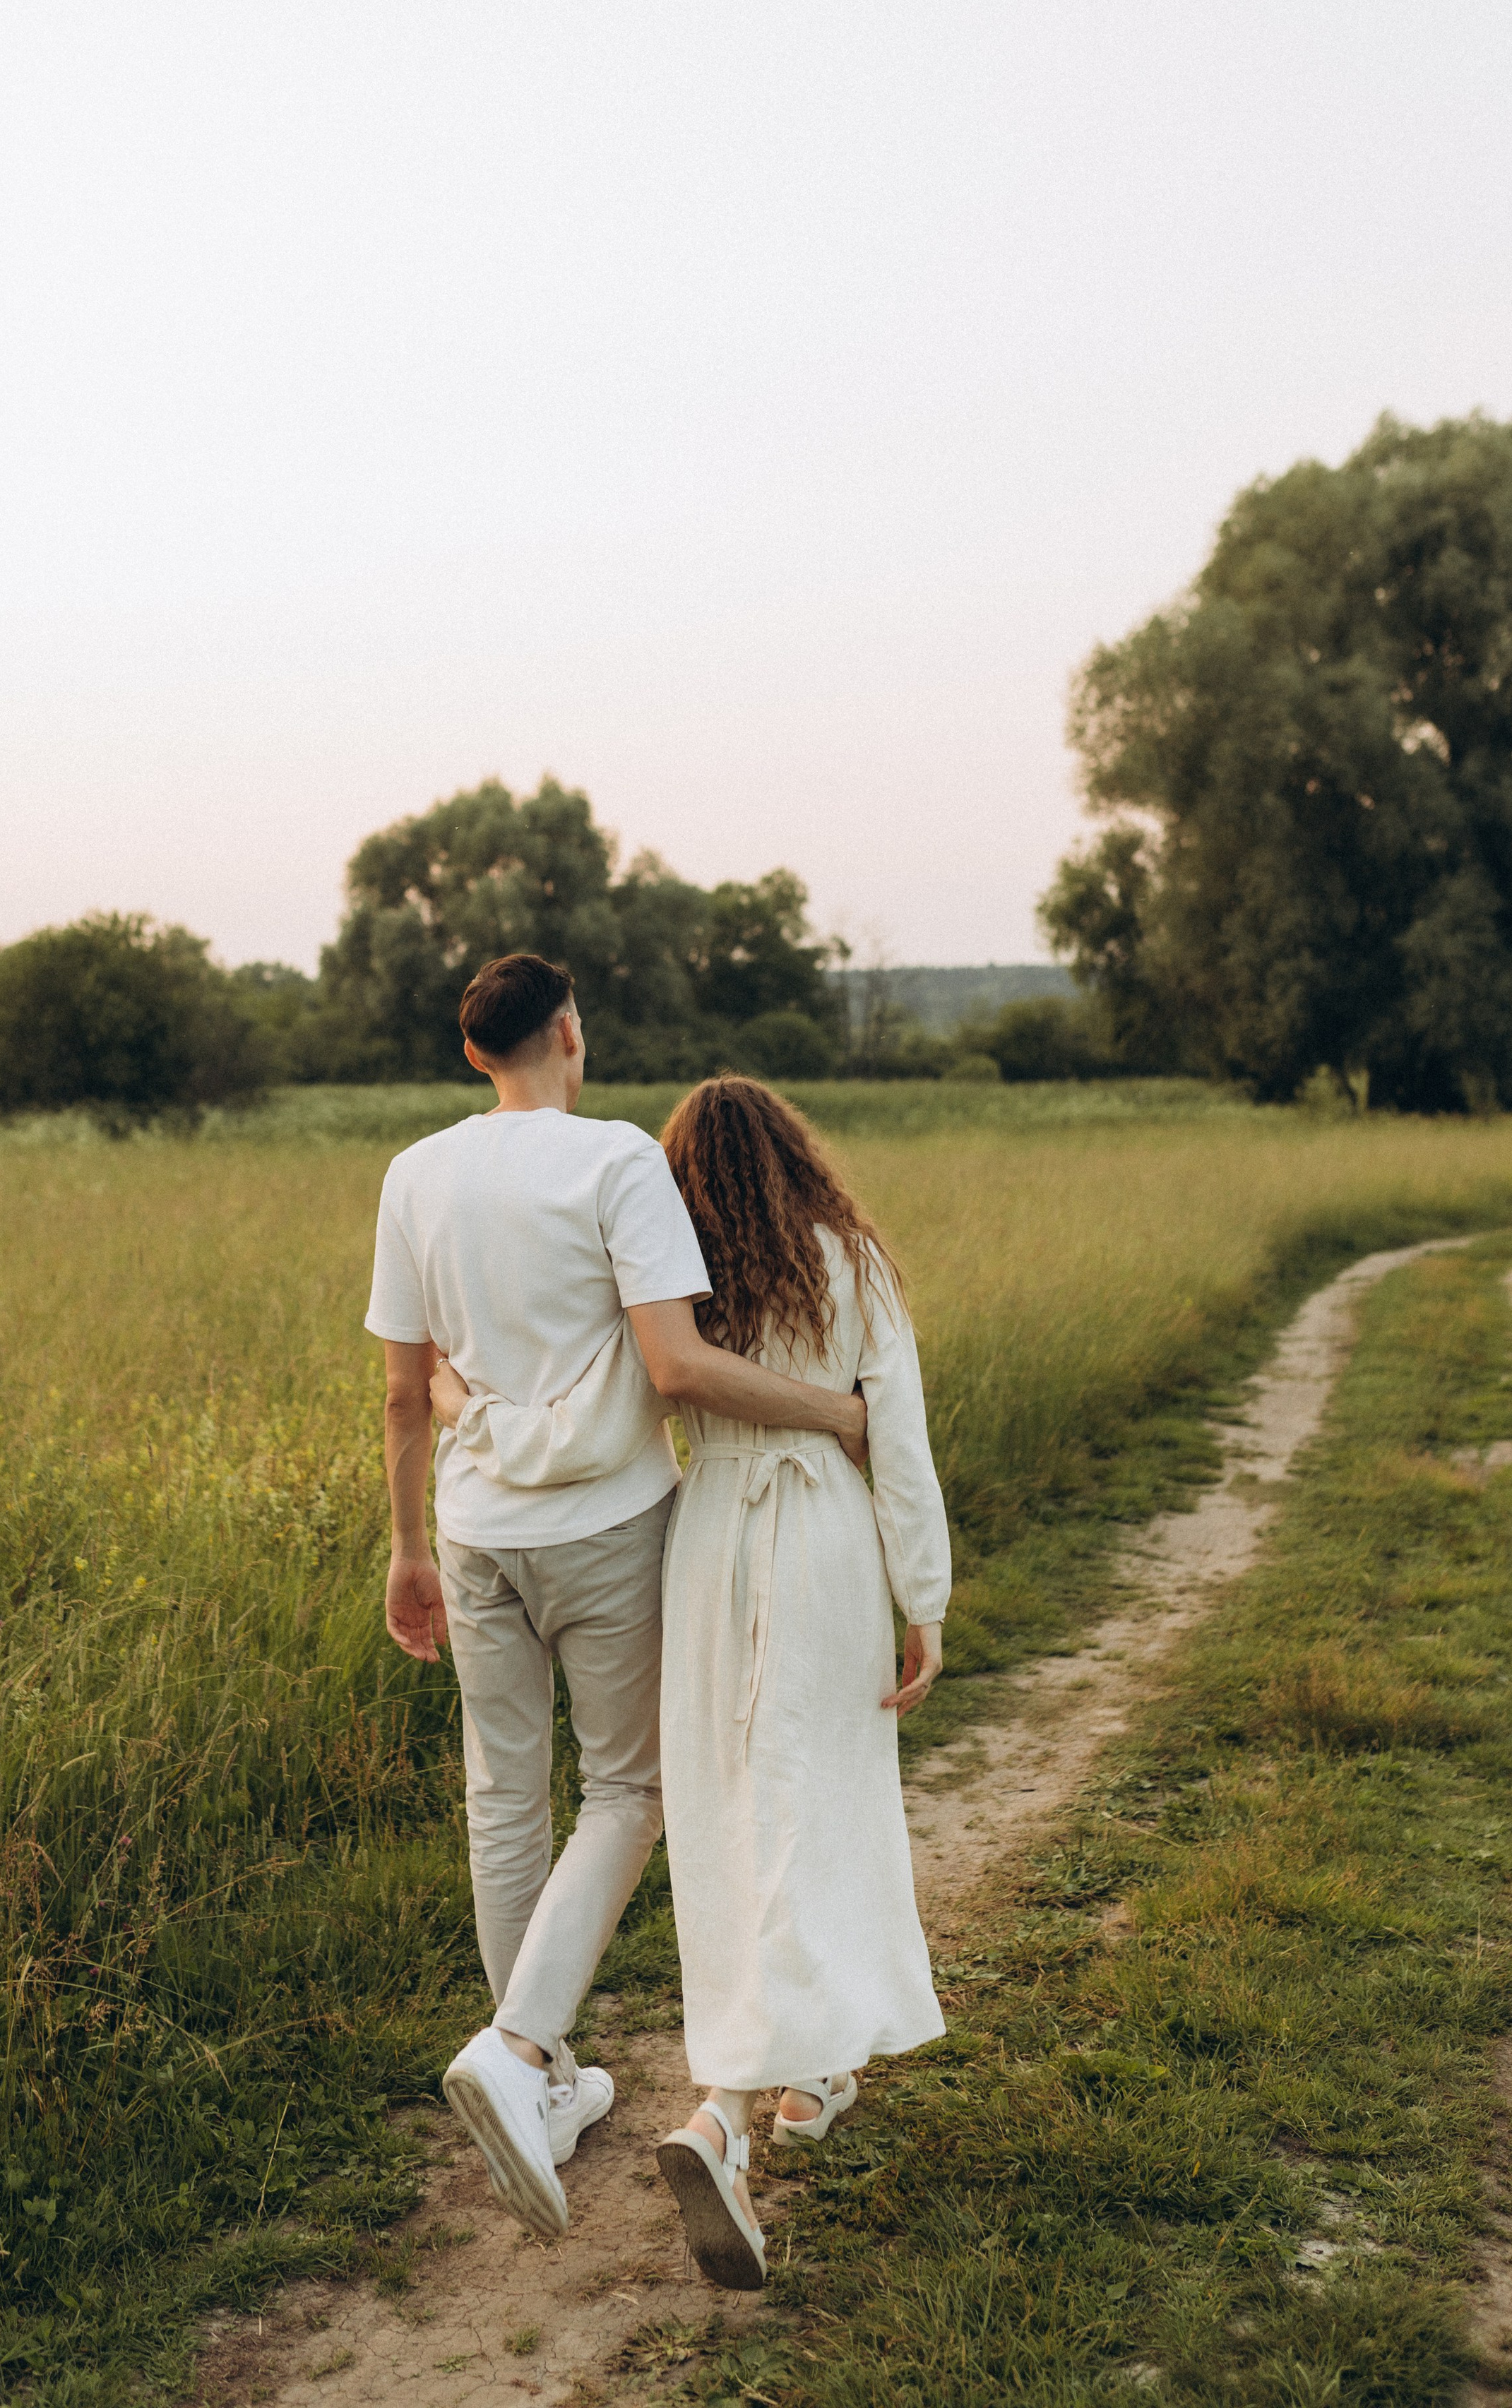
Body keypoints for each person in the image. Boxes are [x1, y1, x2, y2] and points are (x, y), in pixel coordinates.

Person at [365, 958, 871, 2244]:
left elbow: (403, 1387)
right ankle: (520, 2049)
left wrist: (405, 1547)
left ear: (476, 1053)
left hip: (473, 1533)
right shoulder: (614, 1164)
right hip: (605, 1527)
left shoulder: (416, 1174)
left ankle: (540, 2081)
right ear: (569, 1035)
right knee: (629, 1791)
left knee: (501, 1794)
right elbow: (675, 1362)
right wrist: (835, 1413)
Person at [431, 1075, 950, 2289]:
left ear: (684, 1173)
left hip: (705, 1533)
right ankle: (723, 2114)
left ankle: (811, 2072)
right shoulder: (850, 1261)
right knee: (812, 1798)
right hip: (821, 1530)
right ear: (796, 1158)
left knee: (731, 1810)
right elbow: (900, 1435)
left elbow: (608, 1405)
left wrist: (466, 1405)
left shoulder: (669, 1265)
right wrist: (922, 1598)